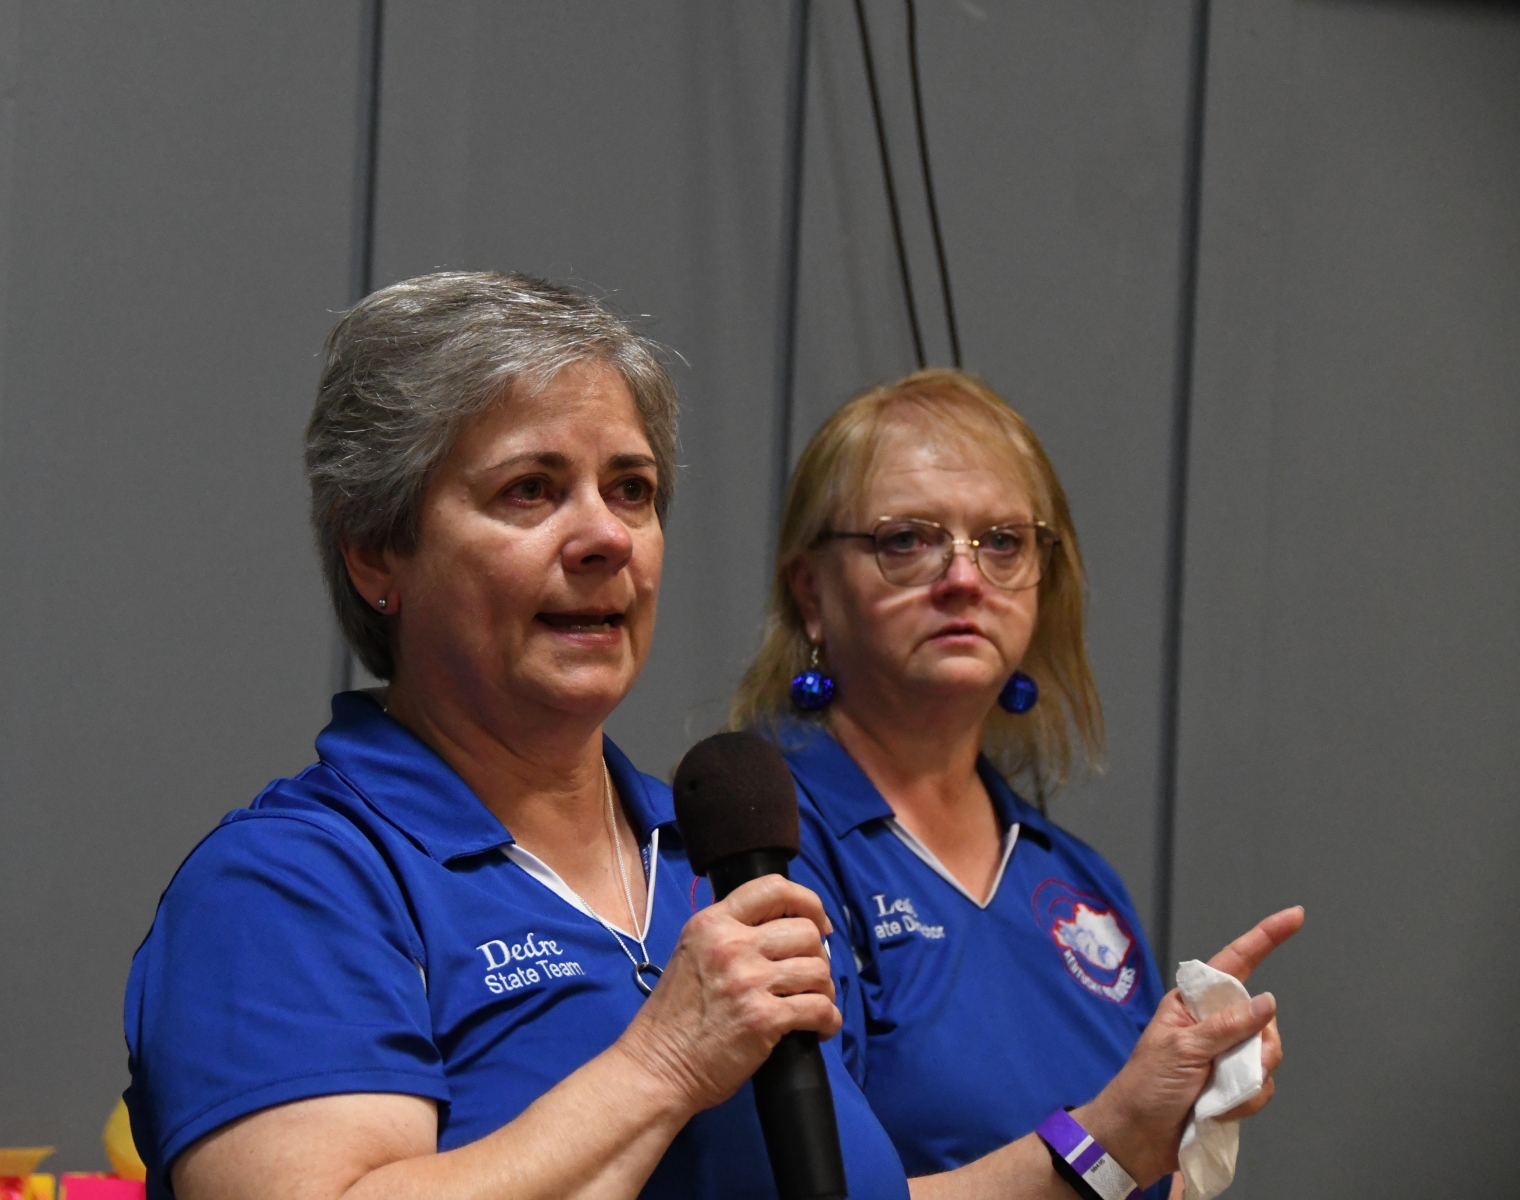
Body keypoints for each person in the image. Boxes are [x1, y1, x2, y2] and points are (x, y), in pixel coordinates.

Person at [125, 276, 1283, 1200]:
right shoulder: (291, 884)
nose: (605, 538)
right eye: (531, 490)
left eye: (631, 491)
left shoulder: (718, 860)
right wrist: (664, 1061)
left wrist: (1112, 1140)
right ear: (376, 552)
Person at [731, 368, 1301, 1198]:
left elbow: (1147, 1175)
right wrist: (1104, 1144)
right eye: (907, 540)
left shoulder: (1077, 880)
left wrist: (1188, 1114)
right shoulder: (761, 840)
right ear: (811, 591)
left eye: (1002, 542)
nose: (964, 578)